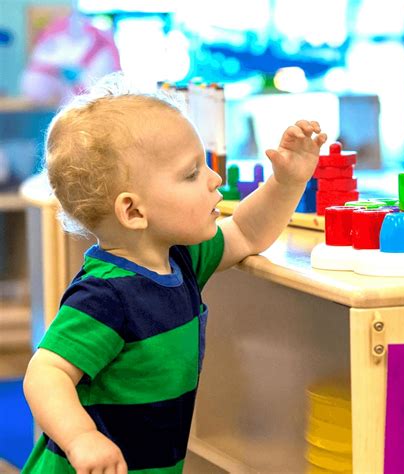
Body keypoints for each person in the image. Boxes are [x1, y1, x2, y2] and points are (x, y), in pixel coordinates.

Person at [22, 74, 327, 474]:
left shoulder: (181, 261)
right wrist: (82, 438)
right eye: (191, 174)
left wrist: (287, 181)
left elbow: (249, 232)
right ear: (133, 211)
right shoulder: (104, 296)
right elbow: (45, 372)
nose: (214, 179)